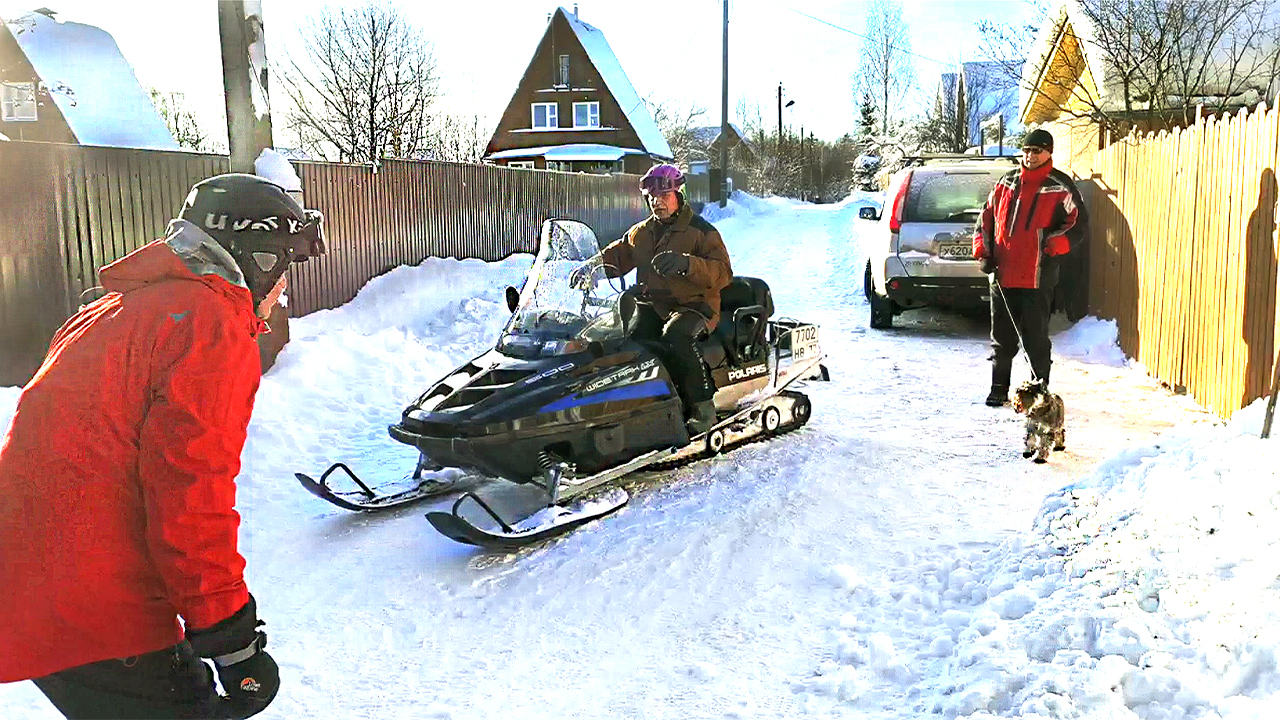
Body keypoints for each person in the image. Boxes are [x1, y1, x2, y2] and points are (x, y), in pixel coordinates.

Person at [0, 173, 326, 719]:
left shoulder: (113, 311)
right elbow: (189, 494)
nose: (282, 291)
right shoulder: (208, 324)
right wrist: (230, 635)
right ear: (258, 258)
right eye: (283, 268)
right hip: (94, 606)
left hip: (35, 582)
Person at [570, 164, 732, 434]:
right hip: (654, 304)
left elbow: (723, 272)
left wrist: (687, 265)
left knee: (676, 336)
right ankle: (627, 403)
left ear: (678, 194)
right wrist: (592, 267)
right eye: (652, 198)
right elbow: (619, 254)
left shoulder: (701, 232)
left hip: (695, 306)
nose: (657, 203)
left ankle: (703, 408)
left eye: (664, 196)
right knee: (613, 334)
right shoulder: (642, 232)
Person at [973, 128, 1083, 407]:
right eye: (1027, 150)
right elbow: (985, 219)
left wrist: (1056, 245)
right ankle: (999, 389)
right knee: (1002, 339)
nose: (1030, 156)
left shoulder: (1061, 186)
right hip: (1003, 275)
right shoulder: (1006, 182)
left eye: (1037, 151)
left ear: (1048, 153)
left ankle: (1040, 392)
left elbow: (1078, 224)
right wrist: (983, 253)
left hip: (1038, 276)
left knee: (1036, 340)